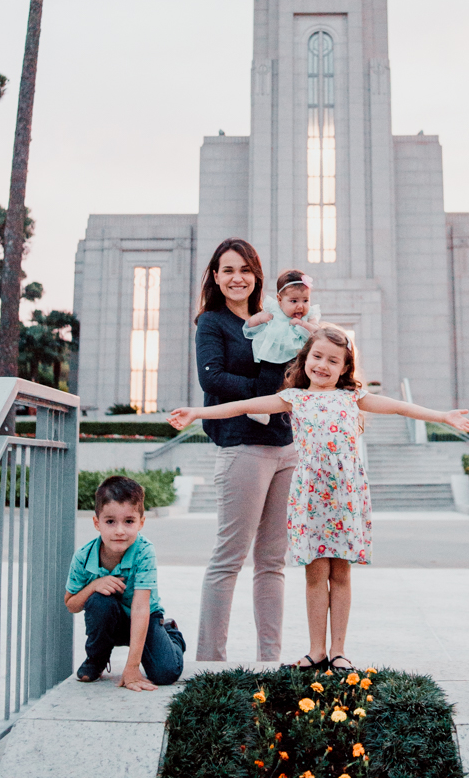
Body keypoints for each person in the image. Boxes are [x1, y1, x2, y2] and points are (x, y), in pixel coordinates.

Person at [169, 323, 469, 670]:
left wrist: (442, 416)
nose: (323, 365)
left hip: (346, 496)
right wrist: (198, 413)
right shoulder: (293, 398)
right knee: (314, 574)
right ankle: (316, 650)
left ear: (345, 368)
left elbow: (400, 408)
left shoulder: (352, 398)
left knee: (341, 574)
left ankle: (339, 650)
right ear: (304, 359)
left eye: (334, 361)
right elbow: (242, 405)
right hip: (310, 498)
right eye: (317, 356)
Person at [193, 238, 296, 662]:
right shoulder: (211, 323)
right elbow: (211, 378)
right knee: (229, 557)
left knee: (272, 561)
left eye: (245, 270)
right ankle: (209, 661)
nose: (238, 278)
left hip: (286, 447)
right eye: (228, 270)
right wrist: (258, 394)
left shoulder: (276, 318)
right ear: (216, 277)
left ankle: (269, 660)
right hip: (241, 446)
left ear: (256, 275)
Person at [64, 474, 185, 690]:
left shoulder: (144, 551)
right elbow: (71, 605)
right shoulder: (83, 557)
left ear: (141, 522)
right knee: (99, 602)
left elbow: (140, 608)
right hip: (110, 619)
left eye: (129, 521)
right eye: (110, 521)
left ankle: (171, 634)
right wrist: (93, 585)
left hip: (144, 617)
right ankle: (97, 659)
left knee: (166, 674)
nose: (120, 531)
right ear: (97, 523)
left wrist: (132, 667)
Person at [242, 268, 321, 425]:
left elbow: (316, 333)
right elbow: (249, 325)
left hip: (296, 358)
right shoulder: (273, 310)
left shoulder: (310, 315)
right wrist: (260, 319)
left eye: (305, 300)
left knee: (298, 383)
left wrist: (302, 324)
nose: (300, 306)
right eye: (294, 301)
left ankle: (303, 412)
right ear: (279, 300)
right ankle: (262, 411)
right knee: (267, 380)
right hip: (273, 356)